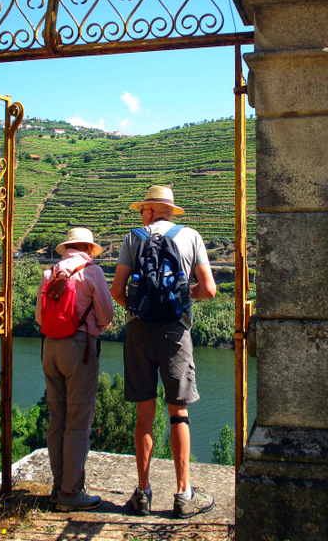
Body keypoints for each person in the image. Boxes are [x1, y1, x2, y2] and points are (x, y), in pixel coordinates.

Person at [111, 185, 217, 519]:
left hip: (139, 332)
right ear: (170, 210)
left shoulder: (134, 238)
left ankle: (142, 494)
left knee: (145, 415)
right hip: (176, 332)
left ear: (150, 210)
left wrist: (137, 311)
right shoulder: (191, 236)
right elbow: (210, 289)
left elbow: (117, 290)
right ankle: (183, 495)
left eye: (142, 209)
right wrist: (184, 301)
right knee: (178, 414)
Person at [35, 227, 114, 512]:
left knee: (57, 419)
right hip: (78, 349)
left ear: (68, 247)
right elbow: (105, 316)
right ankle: (71, 492)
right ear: (88, 248)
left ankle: (58, 489)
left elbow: (38, 316)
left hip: (49, 348)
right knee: (78, 420)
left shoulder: (50, 272)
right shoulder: (91, 272)